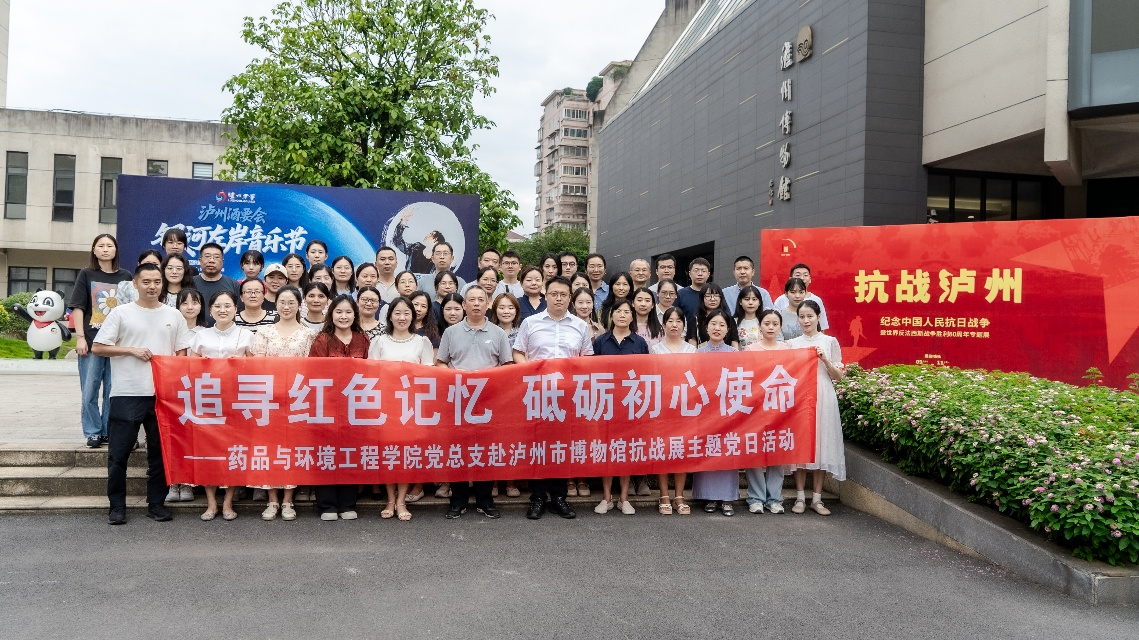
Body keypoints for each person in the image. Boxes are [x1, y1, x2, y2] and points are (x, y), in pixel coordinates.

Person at [92, 263, 193, 525]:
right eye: (146, 282)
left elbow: (181, 351)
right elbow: (98, 347)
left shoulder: (174, 315)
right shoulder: (121, 313)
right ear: (135, 284)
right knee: (119, 454)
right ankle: (117, 506)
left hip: (162, 394)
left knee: (159, 453)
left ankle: (156, 503)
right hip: (127, 392)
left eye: (157, 282)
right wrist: (131, 350)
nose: (152, 286)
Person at [513, 276, 593, 520]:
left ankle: (559, 497)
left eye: (563, 295)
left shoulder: (580, 326)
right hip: (537, 394)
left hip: (568, 395)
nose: (558, 298)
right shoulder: (530, 323)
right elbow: (518, 352)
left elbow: (587, 358)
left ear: (570, 298)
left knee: (562, 446)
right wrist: (530, 372)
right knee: (538, 445)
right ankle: (538, 497)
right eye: (554, 294)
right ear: (545, 295)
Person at [436, 286, 515, 520]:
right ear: (464, 305)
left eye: (481, 300)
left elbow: (507, 365)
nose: (477, 304)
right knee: (457, 451)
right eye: (472, 300)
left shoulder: (498, 333)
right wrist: (456, 376)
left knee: (486, 451)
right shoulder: (451, 332)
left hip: (488, 402)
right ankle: (458, 500)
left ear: (488, 304)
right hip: (458, 401)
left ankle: (485, 500)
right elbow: (441, 363)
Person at [247, 285, 315, 521]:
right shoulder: (264, 332)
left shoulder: (308, 334)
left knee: (292, 449)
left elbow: (310, 369)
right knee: (270, 448)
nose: (286, 307)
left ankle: (288, 500)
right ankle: (272, 500)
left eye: (291, 302)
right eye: (282, 302)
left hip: (296, 400)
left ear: (299, 305)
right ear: (275, 305)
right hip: (269, 399)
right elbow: (257, 366)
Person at [188, 291, 254, 521]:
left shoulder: (246, 335)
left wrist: (242, 364)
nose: (222, 310)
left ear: (236, 308)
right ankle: (211, 503)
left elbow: (257, 369)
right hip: (207, 401)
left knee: (234, 450)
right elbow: (188, 368)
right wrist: (201, 366)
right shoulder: (200, 336)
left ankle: (228, 502)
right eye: (218, 306)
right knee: (208, 452)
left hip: (237, 401)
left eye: (227, 306)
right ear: (210, 310)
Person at [368, 296, 434, 521]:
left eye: (407, 313)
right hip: (385, 406)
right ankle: (389, 499)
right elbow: (370, 375)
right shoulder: (379, 341)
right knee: (388, 454)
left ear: (413, 316)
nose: (402, 317)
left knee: (405, 454)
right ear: (390, 316)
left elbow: (428, 376)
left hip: (411, 406)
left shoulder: (422, 342)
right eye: (397, 313)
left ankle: (401, 500)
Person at [308, 295, 370, 521]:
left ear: (355, 315)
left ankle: (347, 503)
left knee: (349, 454)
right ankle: (327, 505)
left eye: (348, 312)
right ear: (331, 314)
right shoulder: (322, 340)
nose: (343, 316)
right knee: (326, 453)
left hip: (355, 406)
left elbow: (371, 372)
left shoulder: (363, 340)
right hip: (326, 405)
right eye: (339, 312)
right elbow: (313, 373)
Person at [69, 234, 133, 449]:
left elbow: (130, 310)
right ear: (94, 250)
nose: (105, 249)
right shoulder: (86, 274)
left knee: (112, 391)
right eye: (101, 246)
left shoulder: (125, 276)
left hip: (116, 344)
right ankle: (93, 431)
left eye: (109, 245)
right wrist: (80, 337)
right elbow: (79, 307)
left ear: (116, 250)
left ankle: (108, 431)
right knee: (89, 390)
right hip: (91, 341)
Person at [786, 300, 845, 516]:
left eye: (810, 316)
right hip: (800, 397)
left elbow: (838, 376)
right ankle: (800, 496)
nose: (806, 321)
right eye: (802, 317)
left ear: (819, 317)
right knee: (801, 445)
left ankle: (817, 499)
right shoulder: (791, 344)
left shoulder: (829, 341)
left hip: (823, 395)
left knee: (822, 445)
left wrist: (825, 360)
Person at [591, 298, 648, 516]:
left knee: (625, 451)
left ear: (632, 317)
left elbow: (645, 374)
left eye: (626, 312)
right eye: (618, 311)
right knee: (606, 450)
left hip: (630, 404)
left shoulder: (639, 343)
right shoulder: (601, 341)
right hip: (605, 403)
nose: (622, 315)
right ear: (612, 315)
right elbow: (592, 372)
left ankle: (624, 498)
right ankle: (607, 498)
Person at [691, 310, 741, 517]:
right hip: (705, 411)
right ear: (706, 327)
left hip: (728, 411)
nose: (717, 328)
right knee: (708, 451)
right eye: (713, 324)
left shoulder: (734, 354)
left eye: (722, 325)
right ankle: (709, 496)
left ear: (728, 329)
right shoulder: (698, 354)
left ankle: (727, 498)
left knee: (727, 452)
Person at [743, 309, 789, 515]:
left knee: (777, 453)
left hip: (780, 408)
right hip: (756, 408)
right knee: (754, 453)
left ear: (780, 327)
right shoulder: (750, 350)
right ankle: (755, 498)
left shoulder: (787, 350)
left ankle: (775, 498)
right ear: (759, 326)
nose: (771, 327)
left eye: (775, 324)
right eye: (767, 323)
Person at [650, 306, 695, 515]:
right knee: (663, 449)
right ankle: (664, 494)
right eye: (670, 321)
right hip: (662, 406)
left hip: (685, 406)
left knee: (681, 450)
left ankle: (679, 495)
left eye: (678, 321)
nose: (674, 325)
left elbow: (695, 377)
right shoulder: (655, 349)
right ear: (663, 324)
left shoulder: (691, 350)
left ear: (683, 325)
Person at [164, 288, 207, 505]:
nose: (190, 307)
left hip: (199, 392)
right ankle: (174, 482)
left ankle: (189, 482)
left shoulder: (206, 332)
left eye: (195, 302)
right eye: (184, 303)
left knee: (193, 438)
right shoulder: (169, 330)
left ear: (202, 306)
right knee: (175, 436)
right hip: (174, 390)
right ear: (177, 306)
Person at [192, 243, 240, 327]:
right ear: (200, 260)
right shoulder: (190, 283)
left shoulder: (233, 284)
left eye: (216, 257)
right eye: (207, 256)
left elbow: (239, 311)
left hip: (226, 332)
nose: (211, 260)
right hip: (194, 332)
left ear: (222, 262)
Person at [774, 263, 829, 331]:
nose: (802, 278)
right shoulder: (780, 300)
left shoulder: (816, 300)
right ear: (790, 279)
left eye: (805, 275)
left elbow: (822, 327)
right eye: (798, 275)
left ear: (810, 279)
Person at [687, 283, 739, 349]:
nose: (712, 299)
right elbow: (692, 342)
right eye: (708, 296)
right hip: (703, 354)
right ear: (702, 298)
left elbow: (734, 342)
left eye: (716, 295)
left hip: (726, 354)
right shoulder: (696, 319)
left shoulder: (729, 318)